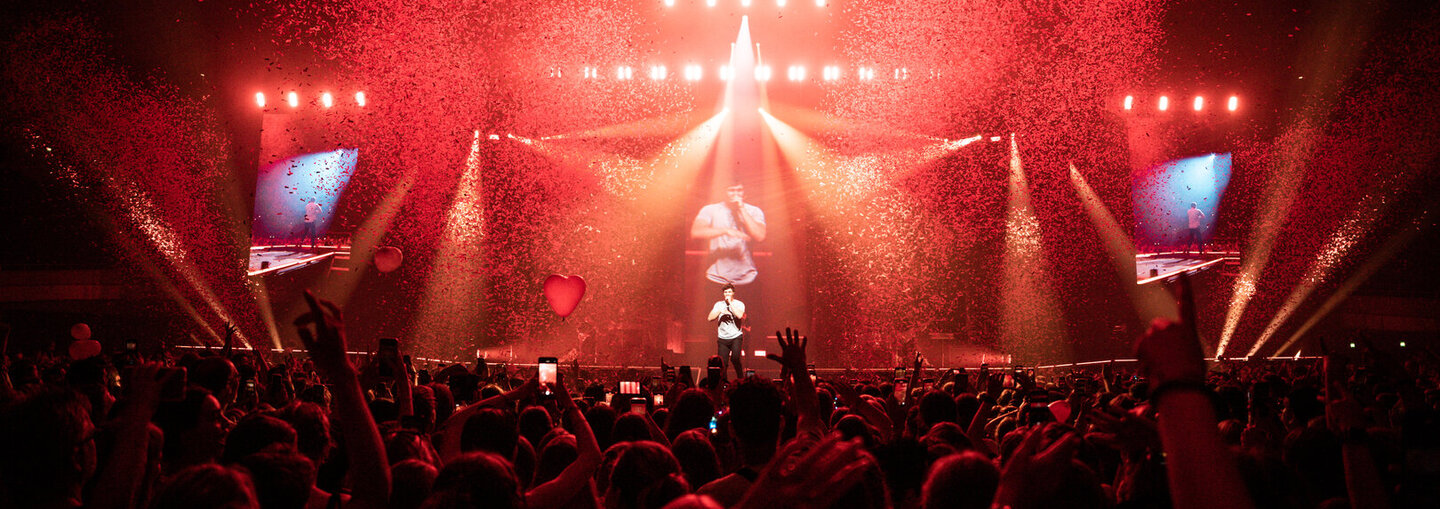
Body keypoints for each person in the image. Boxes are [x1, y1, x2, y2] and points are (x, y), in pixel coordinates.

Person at [691, 183, 766, 285]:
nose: (735, 193)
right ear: (724, 192)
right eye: (731, 190)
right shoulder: (710, 209)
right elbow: (696, 232)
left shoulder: (754, 211)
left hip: (747, 277)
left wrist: (742, 208)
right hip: (716, 278)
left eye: (739, 190)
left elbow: (760, 236)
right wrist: (725, 230)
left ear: (744, 193)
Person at [707, 284, 747, 378]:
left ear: (733, 293)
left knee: (735, 358)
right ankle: (724, 382)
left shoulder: (739, 304)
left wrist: (730, 304)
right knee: (723, 363)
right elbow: (709, 318)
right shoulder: (719, 304)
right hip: (723, 338)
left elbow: (739, 316)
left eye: (729, 292)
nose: (727, 294)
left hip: (736, 336)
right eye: (725, 292)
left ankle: (741, 378)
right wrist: (719, 311)